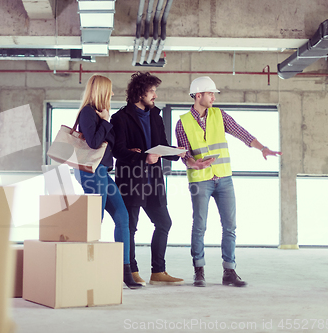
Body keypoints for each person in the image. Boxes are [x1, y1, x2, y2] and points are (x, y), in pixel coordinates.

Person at [175, 76, 282, 287]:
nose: (214, 97)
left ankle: (229, 271)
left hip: (223, 179)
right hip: (200, 180)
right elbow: (183, 153)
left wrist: (263, 148)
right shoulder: (183, 122)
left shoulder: (220, 115)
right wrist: (194, 164)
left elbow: (242, 133)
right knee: (200, 225)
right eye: (210, 94)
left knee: (230, 225)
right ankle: (199, 271)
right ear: (198, 95)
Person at [111, 72, 186, 286]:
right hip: (132, 180)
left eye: (155, 91)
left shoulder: (155, 115)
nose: (155, 95)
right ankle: (131, 270)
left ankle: (158, 272)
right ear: (140, 92)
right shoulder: (120, 118)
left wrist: (178, 152)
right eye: (152, 91)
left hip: (153, 181)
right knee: (131, 227)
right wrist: (143, 156)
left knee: (164, 222)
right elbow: (118, 151)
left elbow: (161, 144)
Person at [74, 74, 142, 289]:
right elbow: (94, 143)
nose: (113, 94)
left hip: (103, 172)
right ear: (101, 90)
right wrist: (105, 120)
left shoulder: (100, 114)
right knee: (96, 220)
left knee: (123, 216)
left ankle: (125, 270)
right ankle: (84, 268)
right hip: (92, 172)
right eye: (110, 90)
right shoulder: (88, 112)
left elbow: (107, 145)